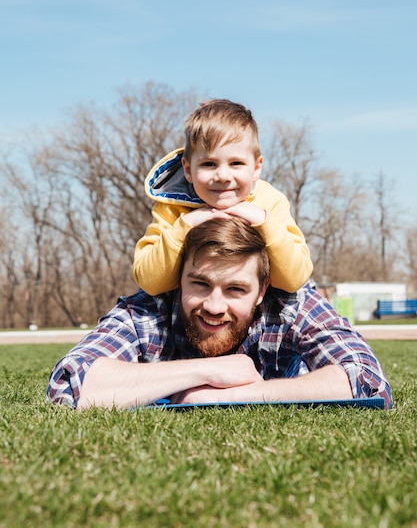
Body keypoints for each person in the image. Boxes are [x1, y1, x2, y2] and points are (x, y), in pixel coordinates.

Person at [47, 218, 392, 410]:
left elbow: (366, 380)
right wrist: (210, 369)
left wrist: (224, 396)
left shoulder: (293, 303)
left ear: (262, 290)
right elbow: (71, 383)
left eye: (235, 290)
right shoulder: (149, 309)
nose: (214, 306)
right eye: (199, 283)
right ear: (178, 278)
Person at [132, 99, 313, 296]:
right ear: (188, 169)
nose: (223, 176)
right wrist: (185, 225)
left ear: (256, 168)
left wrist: (263, 222)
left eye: (236, 163)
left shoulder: (270, 202)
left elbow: (295, 278)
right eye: (209, 164)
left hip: (260, 305)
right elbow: (149, 282)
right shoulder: (172, 208)